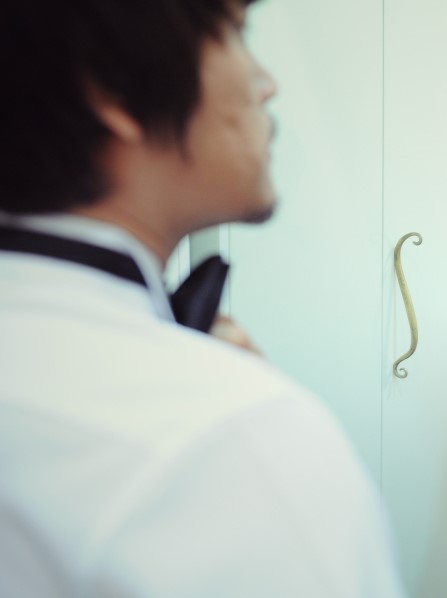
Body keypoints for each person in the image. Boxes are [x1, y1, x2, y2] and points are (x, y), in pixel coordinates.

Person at [0, 1, 405, 596]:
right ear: (115, 87)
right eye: (237, 33)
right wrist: (241, 418)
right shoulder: (237, 447)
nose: (268, 84)